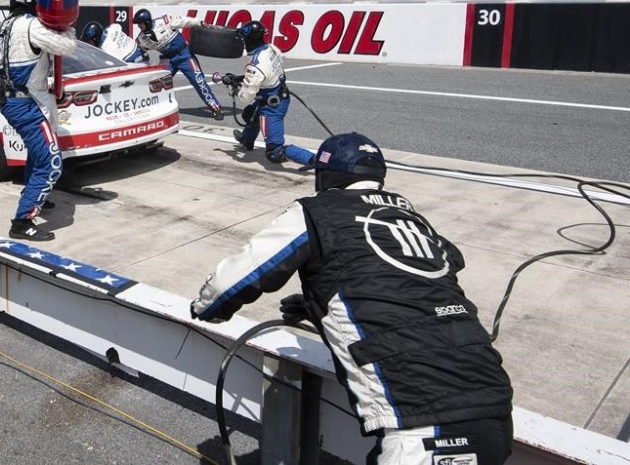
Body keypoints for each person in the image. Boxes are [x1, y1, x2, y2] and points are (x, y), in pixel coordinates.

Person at [191, 132, 514, 465]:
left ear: (324, 174)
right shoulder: (412, 218)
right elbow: (441, 265)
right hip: (495, 408)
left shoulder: (316, 212)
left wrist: (205, 309)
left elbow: (230, 282)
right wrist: (320, 305)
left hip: (423, 424)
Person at [0, 0, 77, 242]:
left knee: (36, 152)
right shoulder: (31, 25)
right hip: (26, 102)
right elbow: (67, 47)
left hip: (11, 98)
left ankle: (34, 193)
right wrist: (67, 27)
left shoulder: (2, 25)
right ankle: (22, 221)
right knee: (51, 163)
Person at [220, 21, 315, 167]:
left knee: (274, 153)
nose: (242, 42)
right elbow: (267, 73)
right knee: (251, 115)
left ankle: (315, 160)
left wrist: (235, 88)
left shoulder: (256, 65)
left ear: (249, 40)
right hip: (276, 91)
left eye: (244, 39)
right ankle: (247, 140)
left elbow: (246, 97)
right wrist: (240, 78)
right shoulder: (271, 48)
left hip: (272, 106)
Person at [133, 9, 223, 120]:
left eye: (140, 24)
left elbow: (185, 21)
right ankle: (154, 110)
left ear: (146, 22)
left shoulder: (165, 21)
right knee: (155, 84)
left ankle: (216, 108)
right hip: (168, 59)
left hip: (184, 55)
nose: (138, 26)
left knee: (199, 82)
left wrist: (200, 22)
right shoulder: (141, 39)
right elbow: (134, 50)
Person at [79, 21, 147, 63]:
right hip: (142, 50)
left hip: (136, 62)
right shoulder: (111, 29)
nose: (89, 45)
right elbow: (118, 26)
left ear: (95, 39)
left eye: (89, 42)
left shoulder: (106, 50)